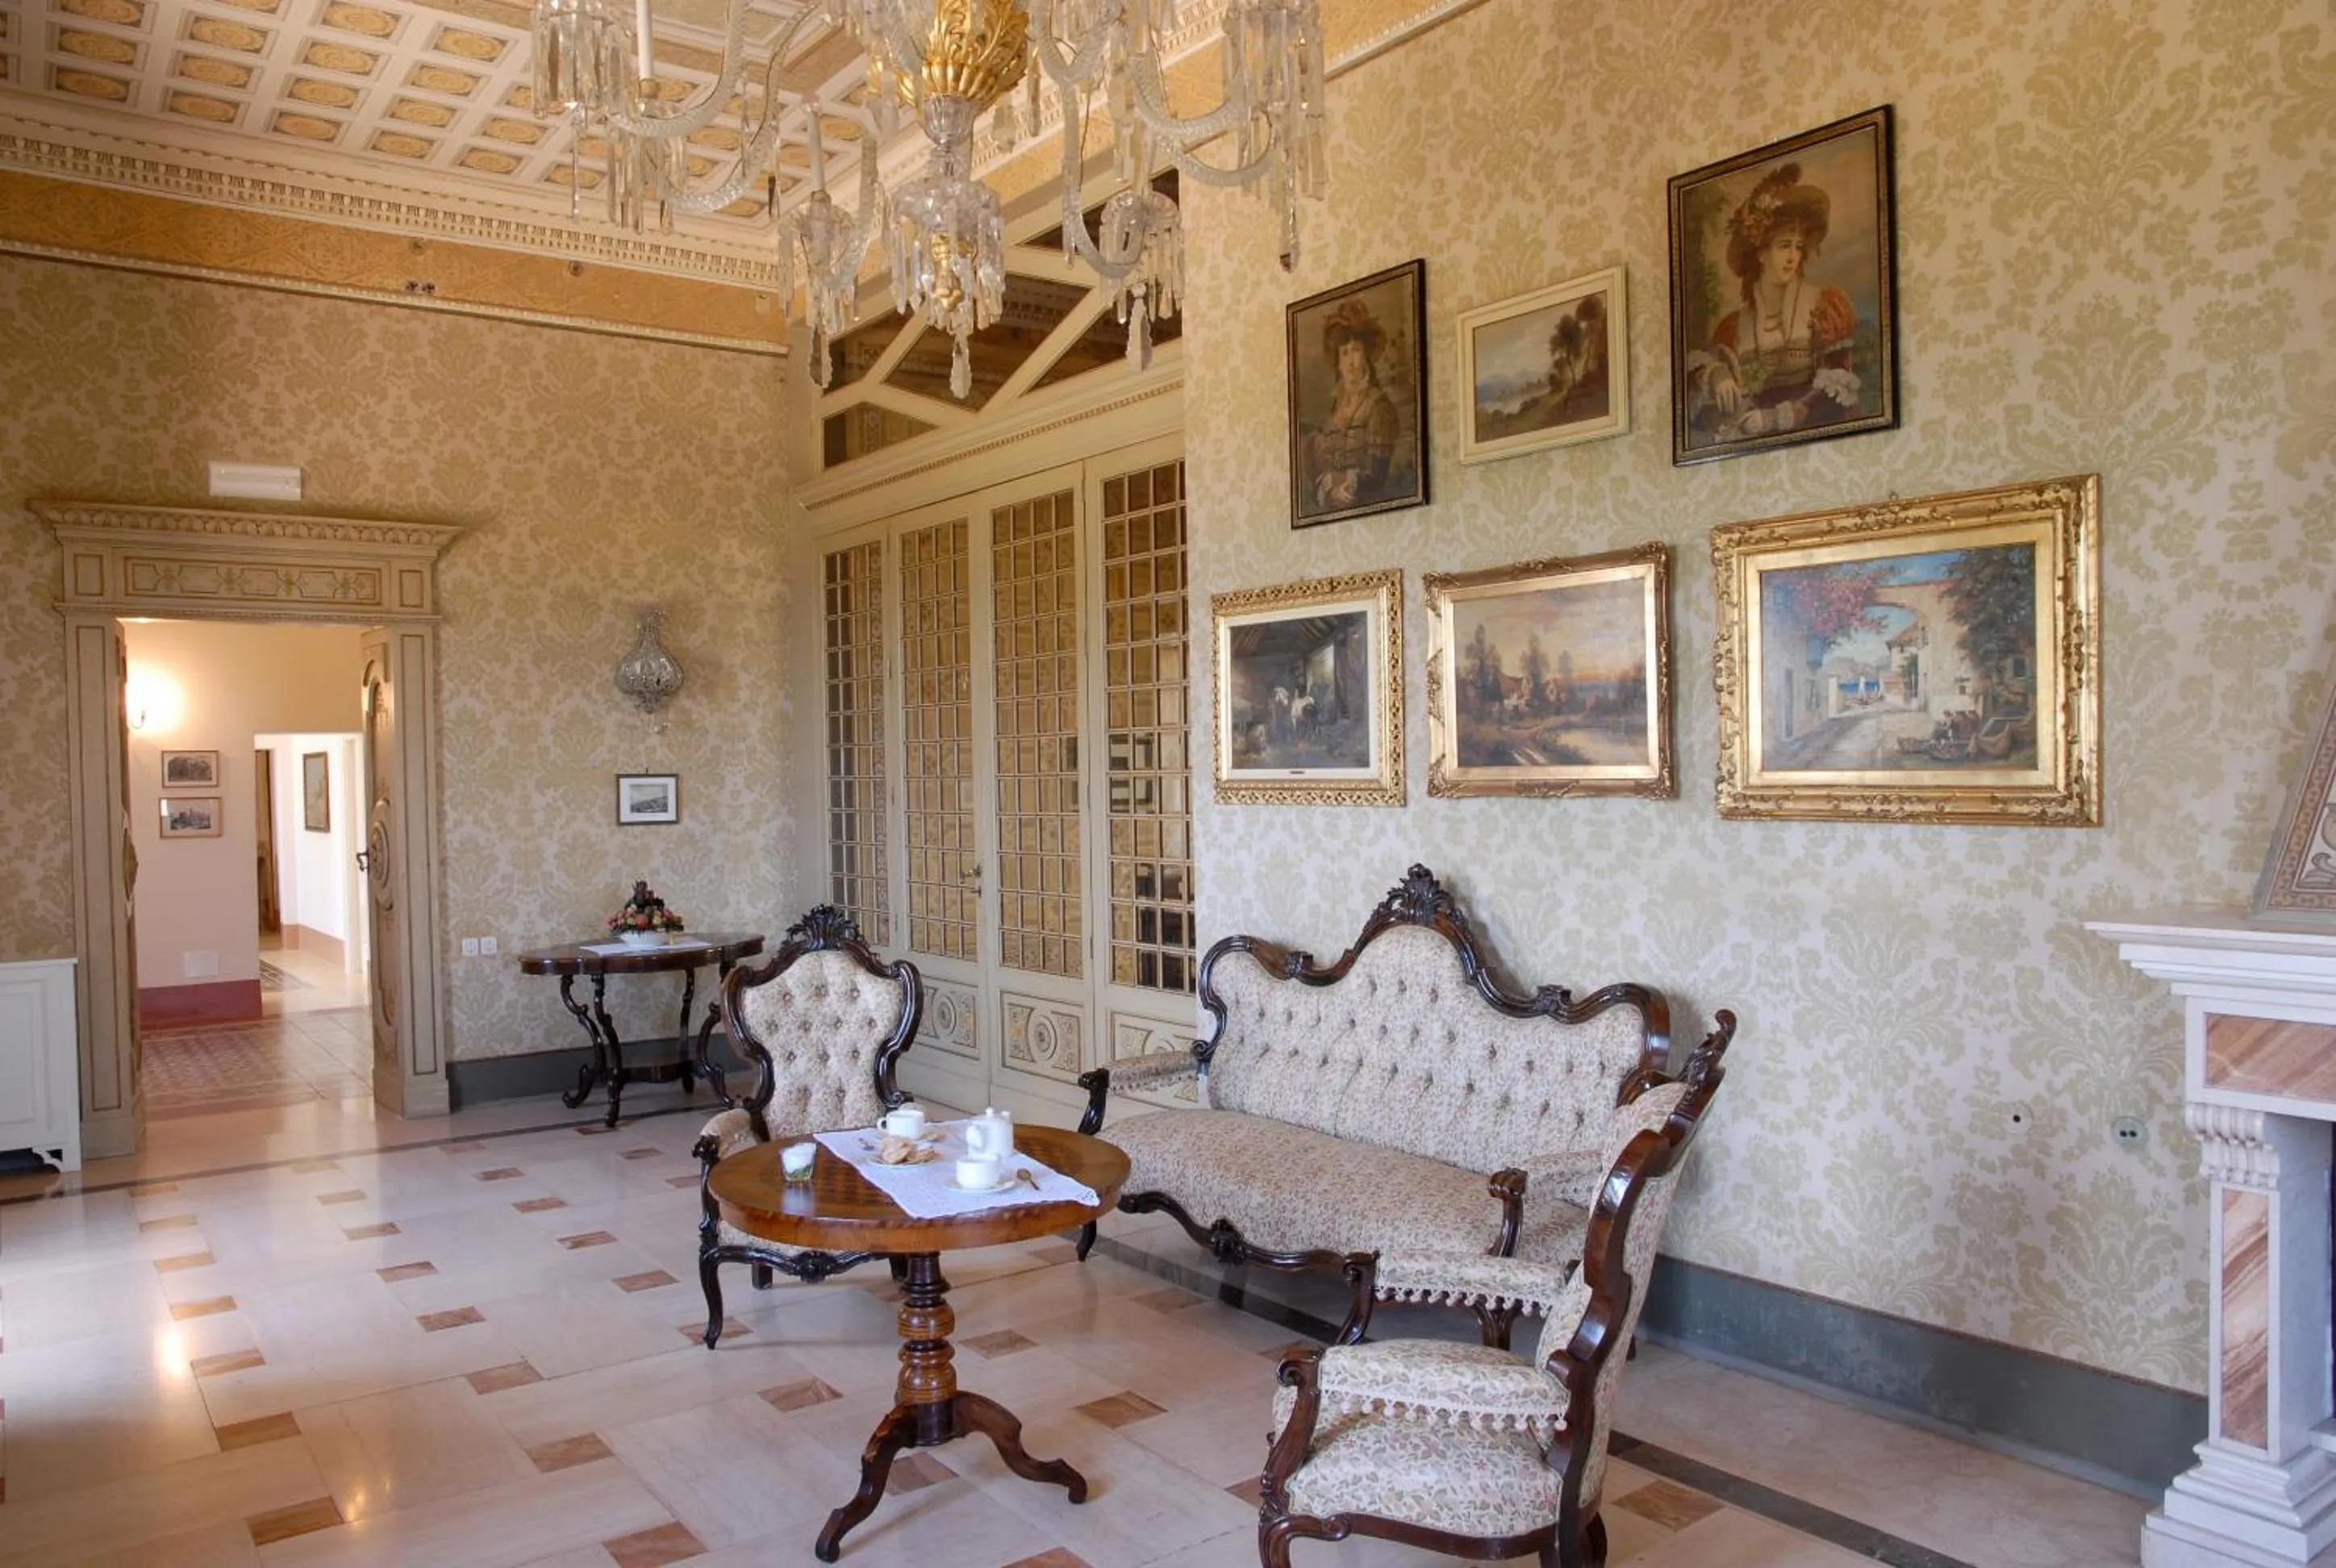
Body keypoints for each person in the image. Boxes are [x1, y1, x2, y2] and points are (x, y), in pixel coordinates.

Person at [1687, 162, 1862, 444]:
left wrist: (1777, 418)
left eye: (1798, 247)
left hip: (1813, 439)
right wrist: (1717, 374)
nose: (1793, 257)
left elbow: (1836, 390)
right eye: (1783, 246)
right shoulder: (1734, 326)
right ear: (1760, 253)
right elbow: (1704, 375)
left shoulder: (1825, 306)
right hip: (1754, 446)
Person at [1303, 298, 1404, 512]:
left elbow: (1379, 476)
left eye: (1356, 350)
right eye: (1344, 353)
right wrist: (1328, 488)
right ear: (1338, 361)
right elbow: (1320, 471)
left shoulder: (1379, 407)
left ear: (1366, 355)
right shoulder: (1333, 416)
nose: (1351, 362)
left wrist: (1345, 482)